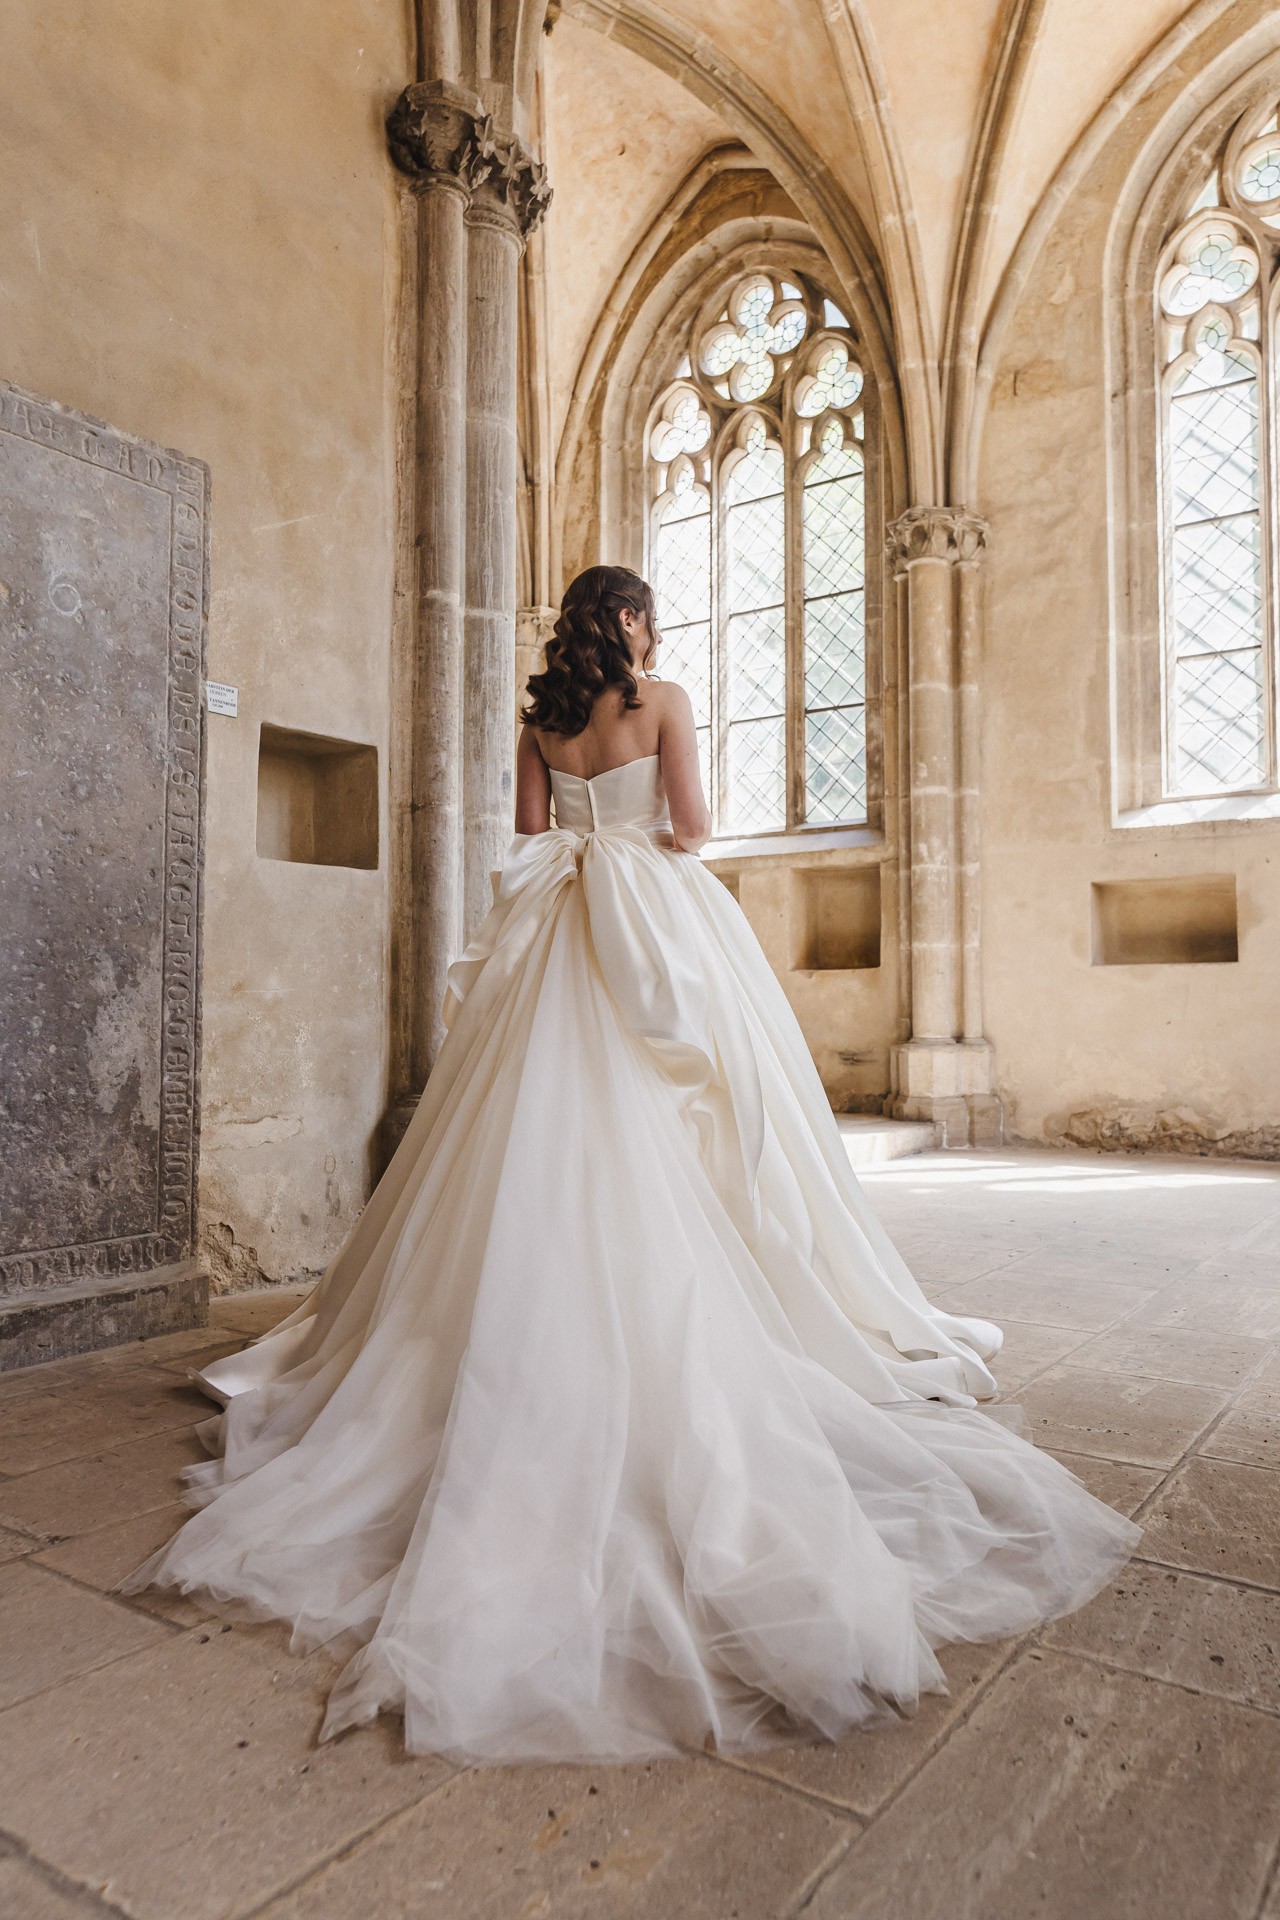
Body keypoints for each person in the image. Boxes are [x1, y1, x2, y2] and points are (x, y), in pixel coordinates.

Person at [122, 564, 1138, 1764]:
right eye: (648, 614)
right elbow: (693, 827)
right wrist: (638, 822)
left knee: (517, 1126)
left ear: (568, 630)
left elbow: (523, 830)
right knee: (701, 1111)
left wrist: (581, 819)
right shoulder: (658, 698)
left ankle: (504, 1324)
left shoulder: (539, 716)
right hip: (649, 913)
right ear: (636, 622)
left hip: (556, 922)